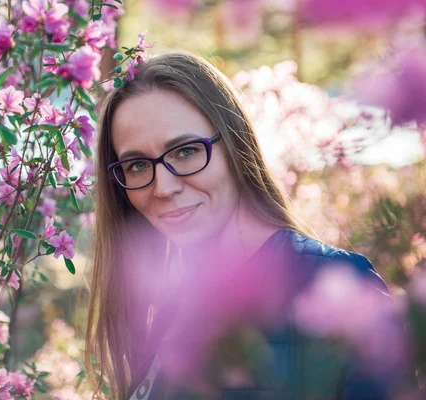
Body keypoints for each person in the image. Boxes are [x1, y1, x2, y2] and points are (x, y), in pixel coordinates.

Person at [85, 51, 394, 400]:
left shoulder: (337, 287)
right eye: (138, 165)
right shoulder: (170, 302)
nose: (163, 187)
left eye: (186, 151)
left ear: (235, 144)